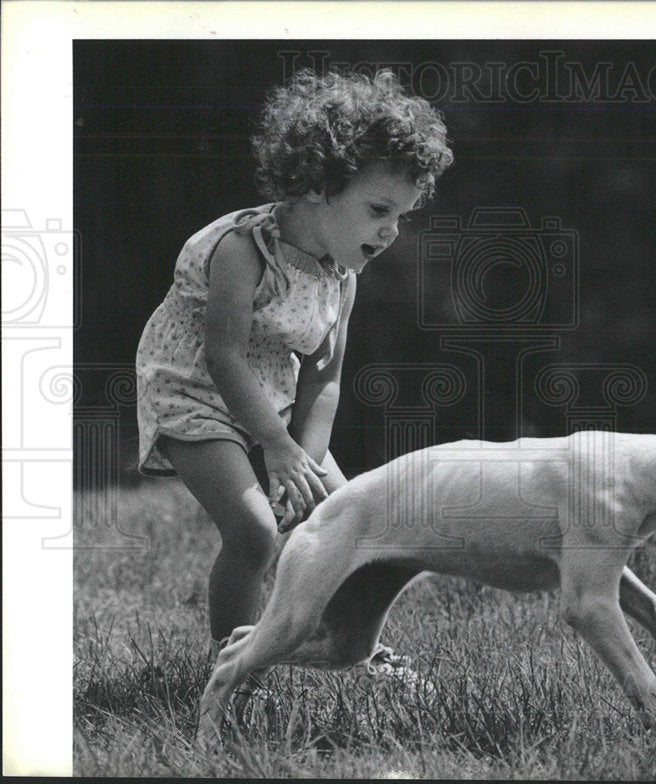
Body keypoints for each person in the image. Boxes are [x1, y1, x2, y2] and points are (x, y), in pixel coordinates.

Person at [135, 68, 453, 666]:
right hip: (194, 393)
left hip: (274, 402)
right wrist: (276, 448)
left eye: (401, 216)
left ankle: (354, 651)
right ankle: (234, 668)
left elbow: (324, 376)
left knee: (357, 525)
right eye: (379, 208)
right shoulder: (242, 251)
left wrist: (302, 460)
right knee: (255, 531)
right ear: (317, 185)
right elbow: (223, 357)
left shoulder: (341, 274)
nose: (390, 231)